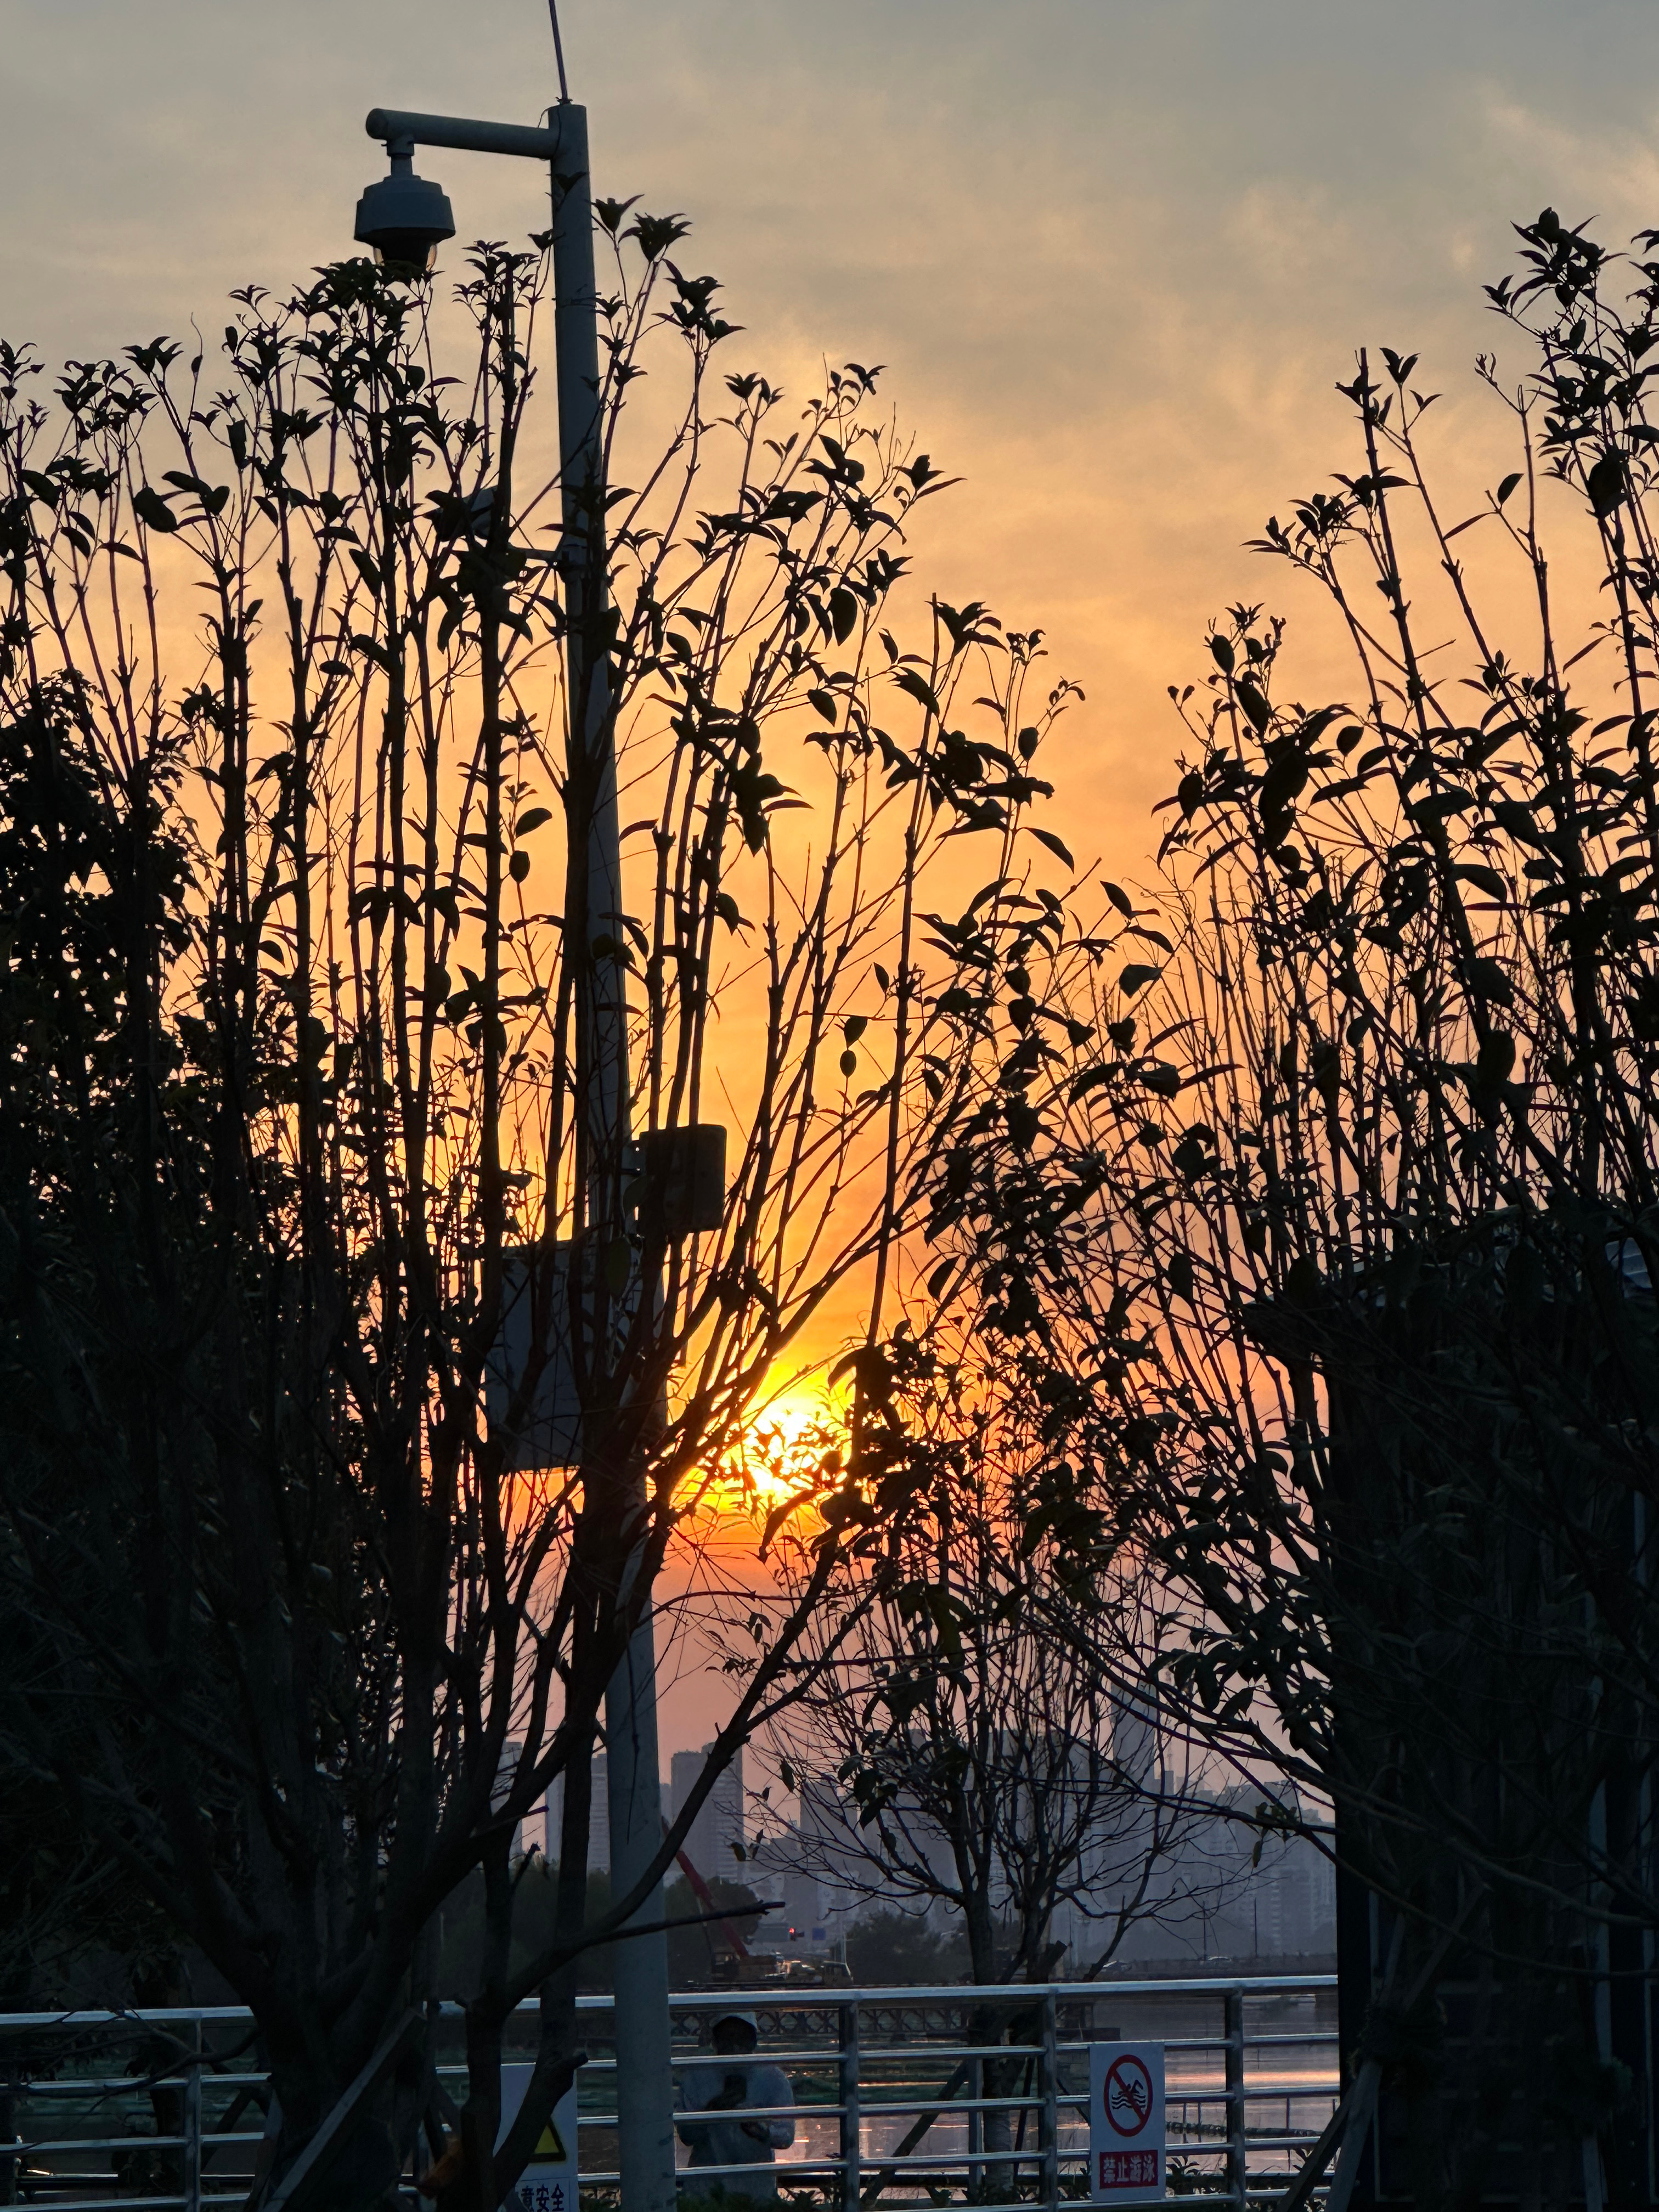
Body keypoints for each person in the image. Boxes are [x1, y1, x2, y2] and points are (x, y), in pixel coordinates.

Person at [675, 2009, 795, 2201]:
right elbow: (686, 2136)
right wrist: (714, 2110)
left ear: (753, 2042)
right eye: (727, 2038)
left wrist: (762, 2131)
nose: (734, 2046)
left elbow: (787, 2136)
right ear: (715, 2041)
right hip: (705, 2192)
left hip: (756, 2192)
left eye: (741, 2038)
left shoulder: (773, 2078)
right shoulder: (697, 2077)